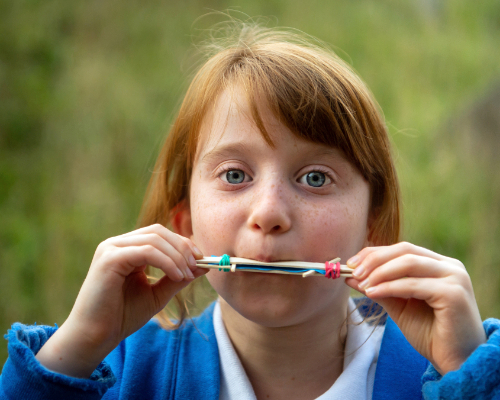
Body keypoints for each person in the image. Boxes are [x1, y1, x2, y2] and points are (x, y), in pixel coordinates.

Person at [2, 21, 500, 400]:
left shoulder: (440, 372)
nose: (269, 212)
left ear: (372, 226)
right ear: (184, 225)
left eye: (315, 178)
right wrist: (79, 345)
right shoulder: (121, 372)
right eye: (235, 175)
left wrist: (471, 374)